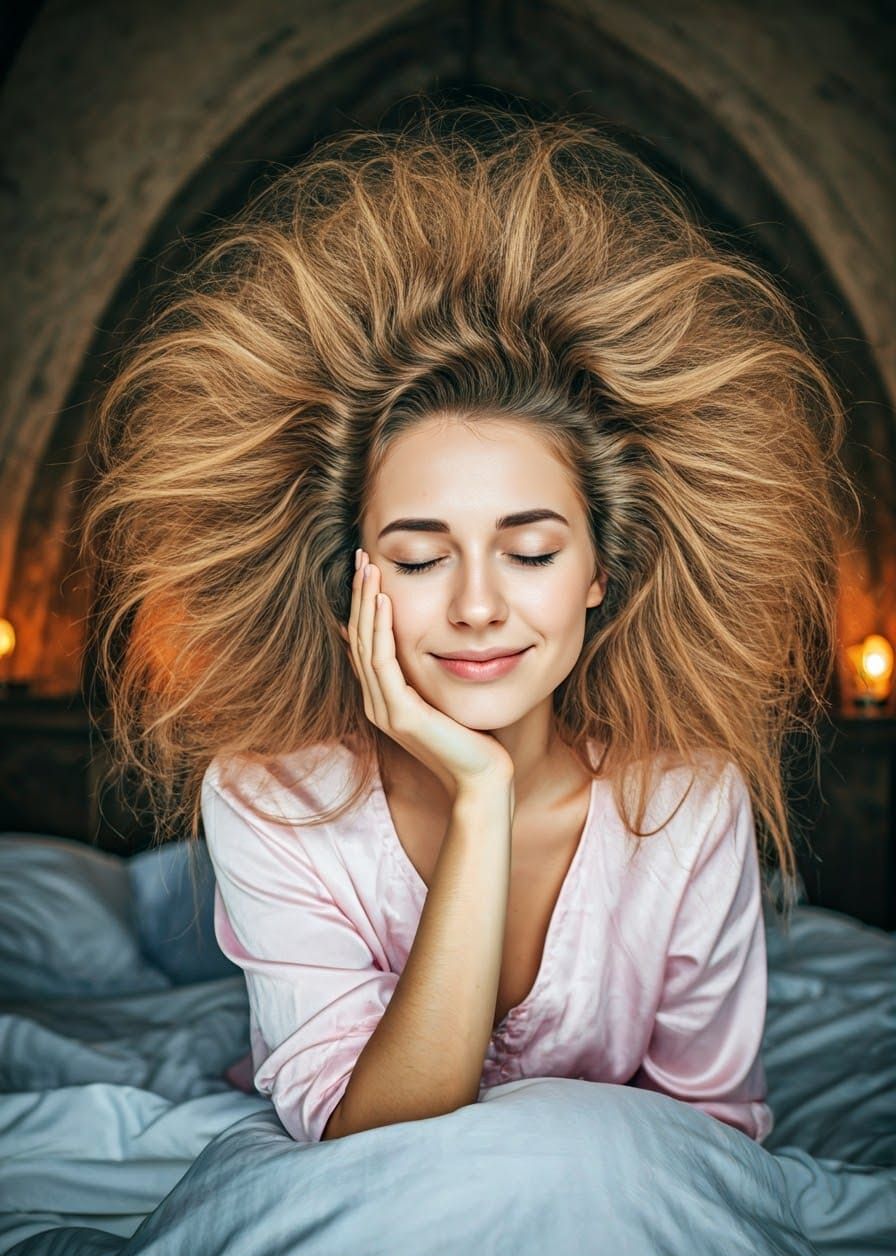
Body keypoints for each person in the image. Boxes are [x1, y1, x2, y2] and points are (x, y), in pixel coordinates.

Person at [80, 99, 858, 1148]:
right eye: (417, 555)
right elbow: (369, 1131)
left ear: (599, 571)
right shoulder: (268, 796)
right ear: (348, 573)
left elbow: (709, 1135)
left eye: (531, 551)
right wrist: (481, 794)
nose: (477, 602)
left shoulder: (686, 803)